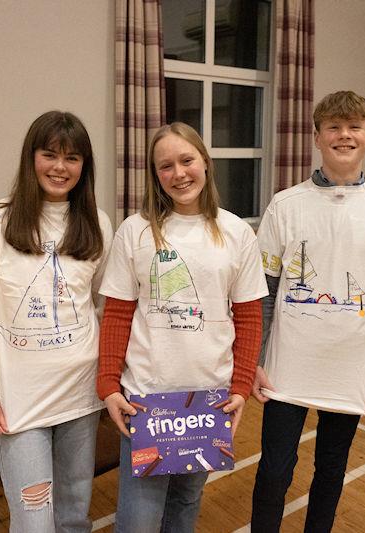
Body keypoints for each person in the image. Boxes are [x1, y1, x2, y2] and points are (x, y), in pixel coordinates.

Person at [250, 90, 365, 532]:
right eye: (334, 127)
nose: (344, 135)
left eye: (354, 127)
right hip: (287, 369)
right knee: (273, 472)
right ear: (318, 137)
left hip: (351, 372)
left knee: (330, 472)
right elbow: (262, 294)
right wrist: (254, 361)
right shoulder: (285, 206)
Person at [96, 122, 267, 533]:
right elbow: (117, 314)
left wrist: (241, 388)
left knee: (186, 503)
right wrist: (108, 385)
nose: (179, 174)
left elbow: (248, 317)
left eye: (186, 160)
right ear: (156, 176)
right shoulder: (135, 232)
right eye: (165, 166)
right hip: (147, 399)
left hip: (208, 400)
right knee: (139, 518)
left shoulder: (237, 232)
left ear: (205, 163)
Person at [0, 111, 113, 532]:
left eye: (72, 158)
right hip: (21, 402)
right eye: (50, 155)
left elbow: (102, 308)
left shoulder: (98, 224)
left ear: (84, 167)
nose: (60, 167)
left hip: (80, 393)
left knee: (74, 514)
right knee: (33, 519)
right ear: (31, 158)